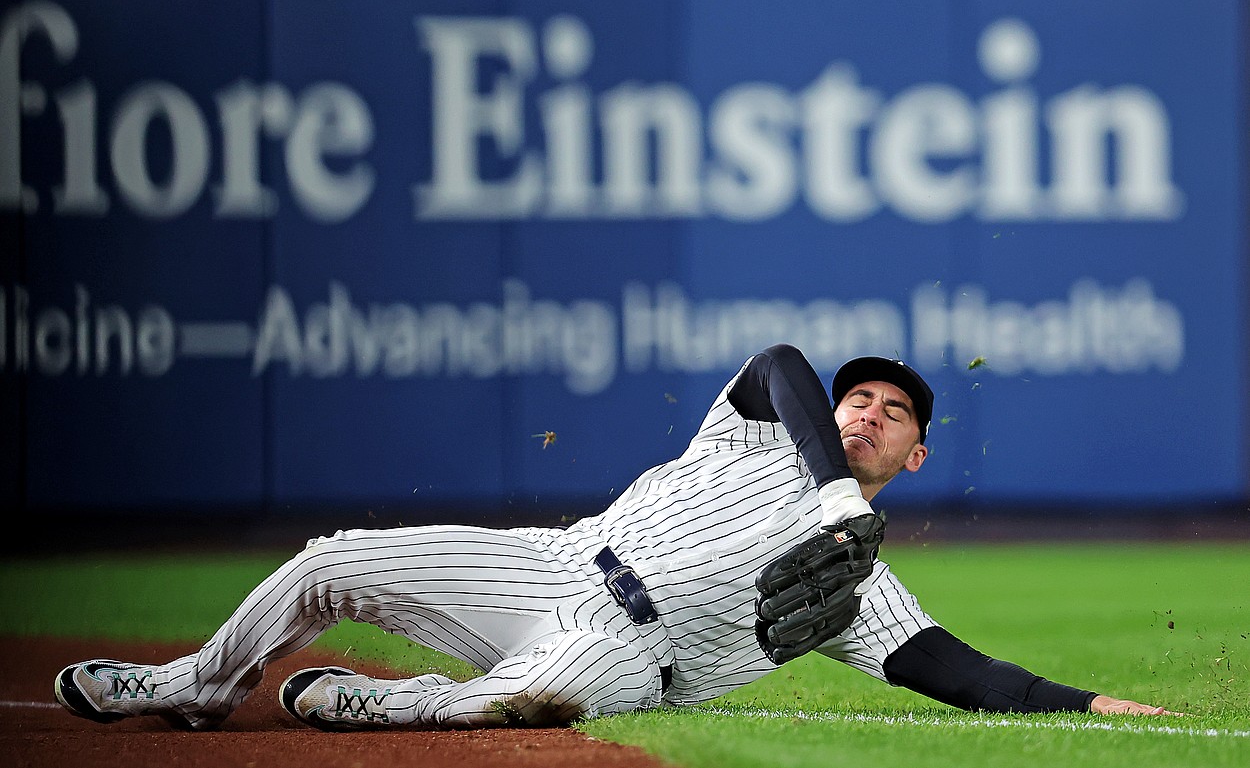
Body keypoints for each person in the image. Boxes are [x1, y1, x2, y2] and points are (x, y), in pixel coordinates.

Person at [54, 344, 1174, 731]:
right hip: (550, 559)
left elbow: (962, 672)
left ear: (915, 457)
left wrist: (1096, 709)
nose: (866, 409)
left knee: (533, 696)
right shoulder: (757, 435)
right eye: (858, 398)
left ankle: (389, 703)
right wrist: (832, 487)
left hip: (636, 655)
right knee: (331, 556)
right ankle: (199, 682)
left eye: (894, 413)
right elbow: (781, 359)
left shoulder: (858, 587)